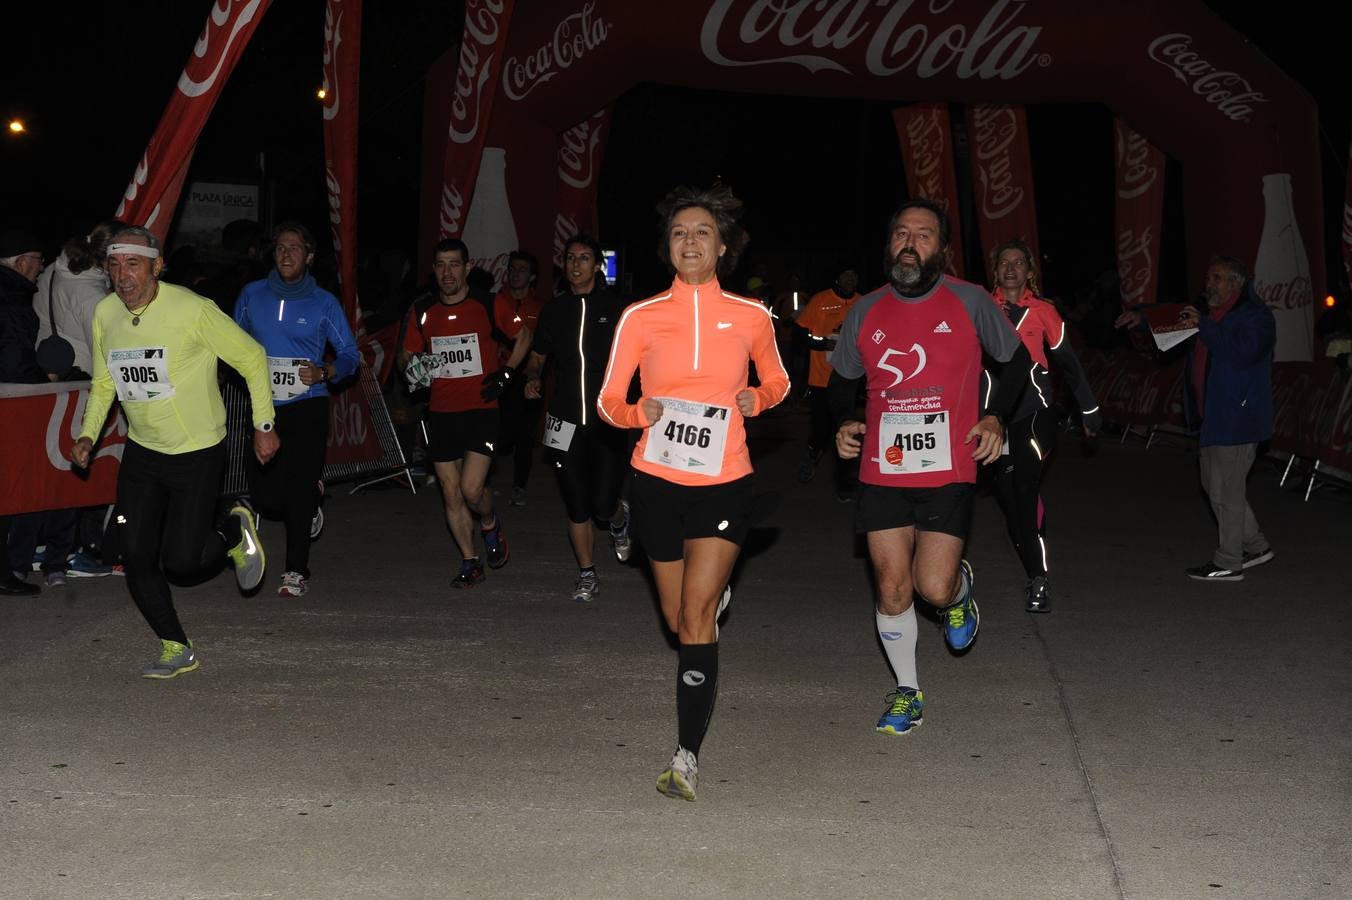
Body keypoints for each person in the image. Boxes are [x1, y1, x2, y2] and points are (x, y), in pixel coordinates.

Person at [597, 184, 790, 801]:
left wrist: (757, 398)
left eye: (702, 232)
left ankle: (685, 756)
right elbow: (606, 399)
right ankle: (696, 589)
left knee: (699, 614)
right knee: (678, 620)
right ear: (667, 248)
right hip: (656, 477)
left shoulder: (753, 316)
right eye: (680, 233)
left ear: (722, 245)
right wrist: (637, 414)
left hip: (725, 482)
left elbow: (781, 381)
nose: (690, 242)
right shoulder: (640, 317)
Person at [828, 199, 1033, 737]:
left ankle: (959, 593)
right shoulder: (865, 309)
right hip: (882, 469)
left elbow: (1016, 366)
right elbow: (840, 382)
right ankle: (907, 691)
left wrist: (993, 420)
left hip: (949, 467)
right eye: (901, 233)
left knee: (932, 589)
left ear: (941, 248)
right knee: (893, 588)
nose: (910, 243)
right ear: (888, 245)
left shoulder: (970, 301)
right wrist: (843, 422)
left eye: (922, 235)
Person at [69, 226, 278, 678]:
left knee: (182, 562)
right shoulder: (106, 313)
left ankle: (231, 529)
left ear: (157, 266)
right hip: (142, 454)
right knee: (135, 550)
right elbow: (105, 382)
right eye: (115, 264)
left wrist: (263, 424)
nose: (122, 275)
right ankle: (175, 646)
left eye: (133, 264)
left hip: (197, 452)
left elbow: (252, 357)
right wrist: (88, 433)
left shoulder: (193, 310)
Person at [1114, 256, 1275, 581]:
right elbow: (1174, 317)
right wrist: (1141, 318)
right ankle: (1256, 546)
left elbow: (1243, 353)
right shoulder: (1211, 315)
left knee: (1227, 491)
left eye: (1217, 278)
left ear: (1236, 282)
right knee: (1214, 488)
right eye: (1208, 277)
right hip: (1213, 417)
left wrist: (1205, 325)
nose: (1209, 284)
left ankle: (1229, 560)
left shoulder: (1255, 317)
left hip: (1239, 418)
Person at [233, 222, 359, 597]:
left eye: (294, 248)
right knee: (266, 496)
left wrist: (327, 371)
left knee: (299, 491)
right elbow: (230, 341)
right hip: (262, 406)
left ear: (309, 256)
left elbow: (350, 355)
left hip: (307, 404)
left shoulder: (324, 303)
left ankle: (295, 571)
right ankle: (309, 502)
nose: (286, 254)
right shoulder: (251, 295)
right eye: (280, 248)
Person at [399, 238, 530, 588]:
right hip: (440, 412)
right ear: (434, 270)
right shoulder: (423, 309)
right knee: (450, 490)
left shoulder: (488, 303)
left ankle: (489, 522)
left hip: (481, 409)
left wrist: (506, 374)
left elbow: (523, 335)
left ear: (467, 268)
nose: (447, 273)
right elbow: (406, 355)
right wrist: (416, 367)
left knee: (472, 490)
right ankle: (470, 561)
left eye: (454, 264)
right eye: (441, 265)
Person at [984, 240, 1101, 613]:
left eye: (1018, 262)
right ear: (996, 270)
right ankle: (1033, 562)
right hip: (993, 418)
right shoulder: (981, 308)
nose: (1011, 268)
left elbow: (1068, 362)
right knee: (1011, 499)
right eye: (1004, 262)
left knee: (1023, 486)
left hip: (1036, 412)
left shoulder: (1044, 311)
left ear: (1029, 270)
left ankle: (1039, 578)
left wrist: (1090, 409)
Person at [523, 234, 632, 603]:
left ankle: (619, 518)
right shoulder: (554, 311)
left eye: (584, 258)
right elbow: (537, 356)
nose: (576, 264)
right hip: (564, 420)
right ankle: (587, 574)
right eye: (571, 258)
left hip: (608, 422)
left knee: (602, 504)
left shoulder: (618, 309)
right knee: (575, 501)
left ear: (597, 265)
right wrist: (534, 376)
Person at [0, 229, 49, 596]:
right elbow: (14, 361)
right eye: (37, 258)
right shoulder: (12, 299)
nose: (42, 266)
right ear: (20, 263)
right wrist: (48, 382)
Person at [795, 267, 861, 497]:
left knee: (847, 430)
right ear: (837, 277)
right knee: (822, 430)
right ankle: (813, 453)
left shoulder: (862, 303)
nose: (850, 279)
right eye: (846, 275)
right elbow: (801, 333)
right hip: (821, 379)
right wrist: (823, 343)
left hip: (849, 380)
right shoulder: (820, 300)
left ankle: (846, 484)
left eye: (854, 276)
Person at [494, 251, 546, 507]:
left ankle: (519, 486)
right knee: (497, 434)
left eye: (522, 269)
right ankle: (483, 482)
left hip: (527, 378)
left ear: (532, 276)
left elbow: (544, 346)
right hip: (497, 377)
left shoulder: (540, 307)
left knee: (525, 436)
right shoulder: (495, 302)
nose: (516, 273)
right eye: (512, 268)